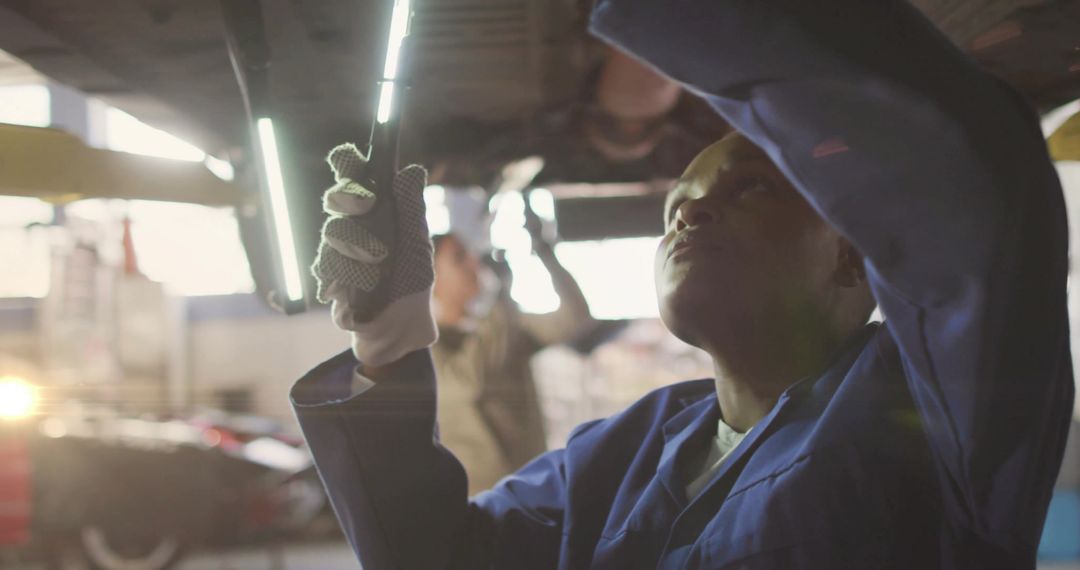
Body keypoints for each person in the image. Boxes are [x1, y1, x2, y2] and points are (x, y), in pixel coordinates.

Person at [296, 0, 1073, 568]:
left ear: (851, 255)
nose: (691, 217)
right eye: (678, 207)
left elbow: (974, 183)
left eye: (751, 190)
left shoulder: (932, 410)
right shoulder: (620, 453)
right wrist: (387, 342)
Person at [427, 231, 594, 494]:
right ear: (431, 278)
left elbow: (574, 317)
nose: (475, 264)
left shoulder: (502, 329)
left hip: (535, 489)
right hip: (479, 501)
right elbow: (470, 383)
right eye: (460, 259)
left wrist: (545, 251)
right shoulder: (427, 346)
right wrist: (501, 294)